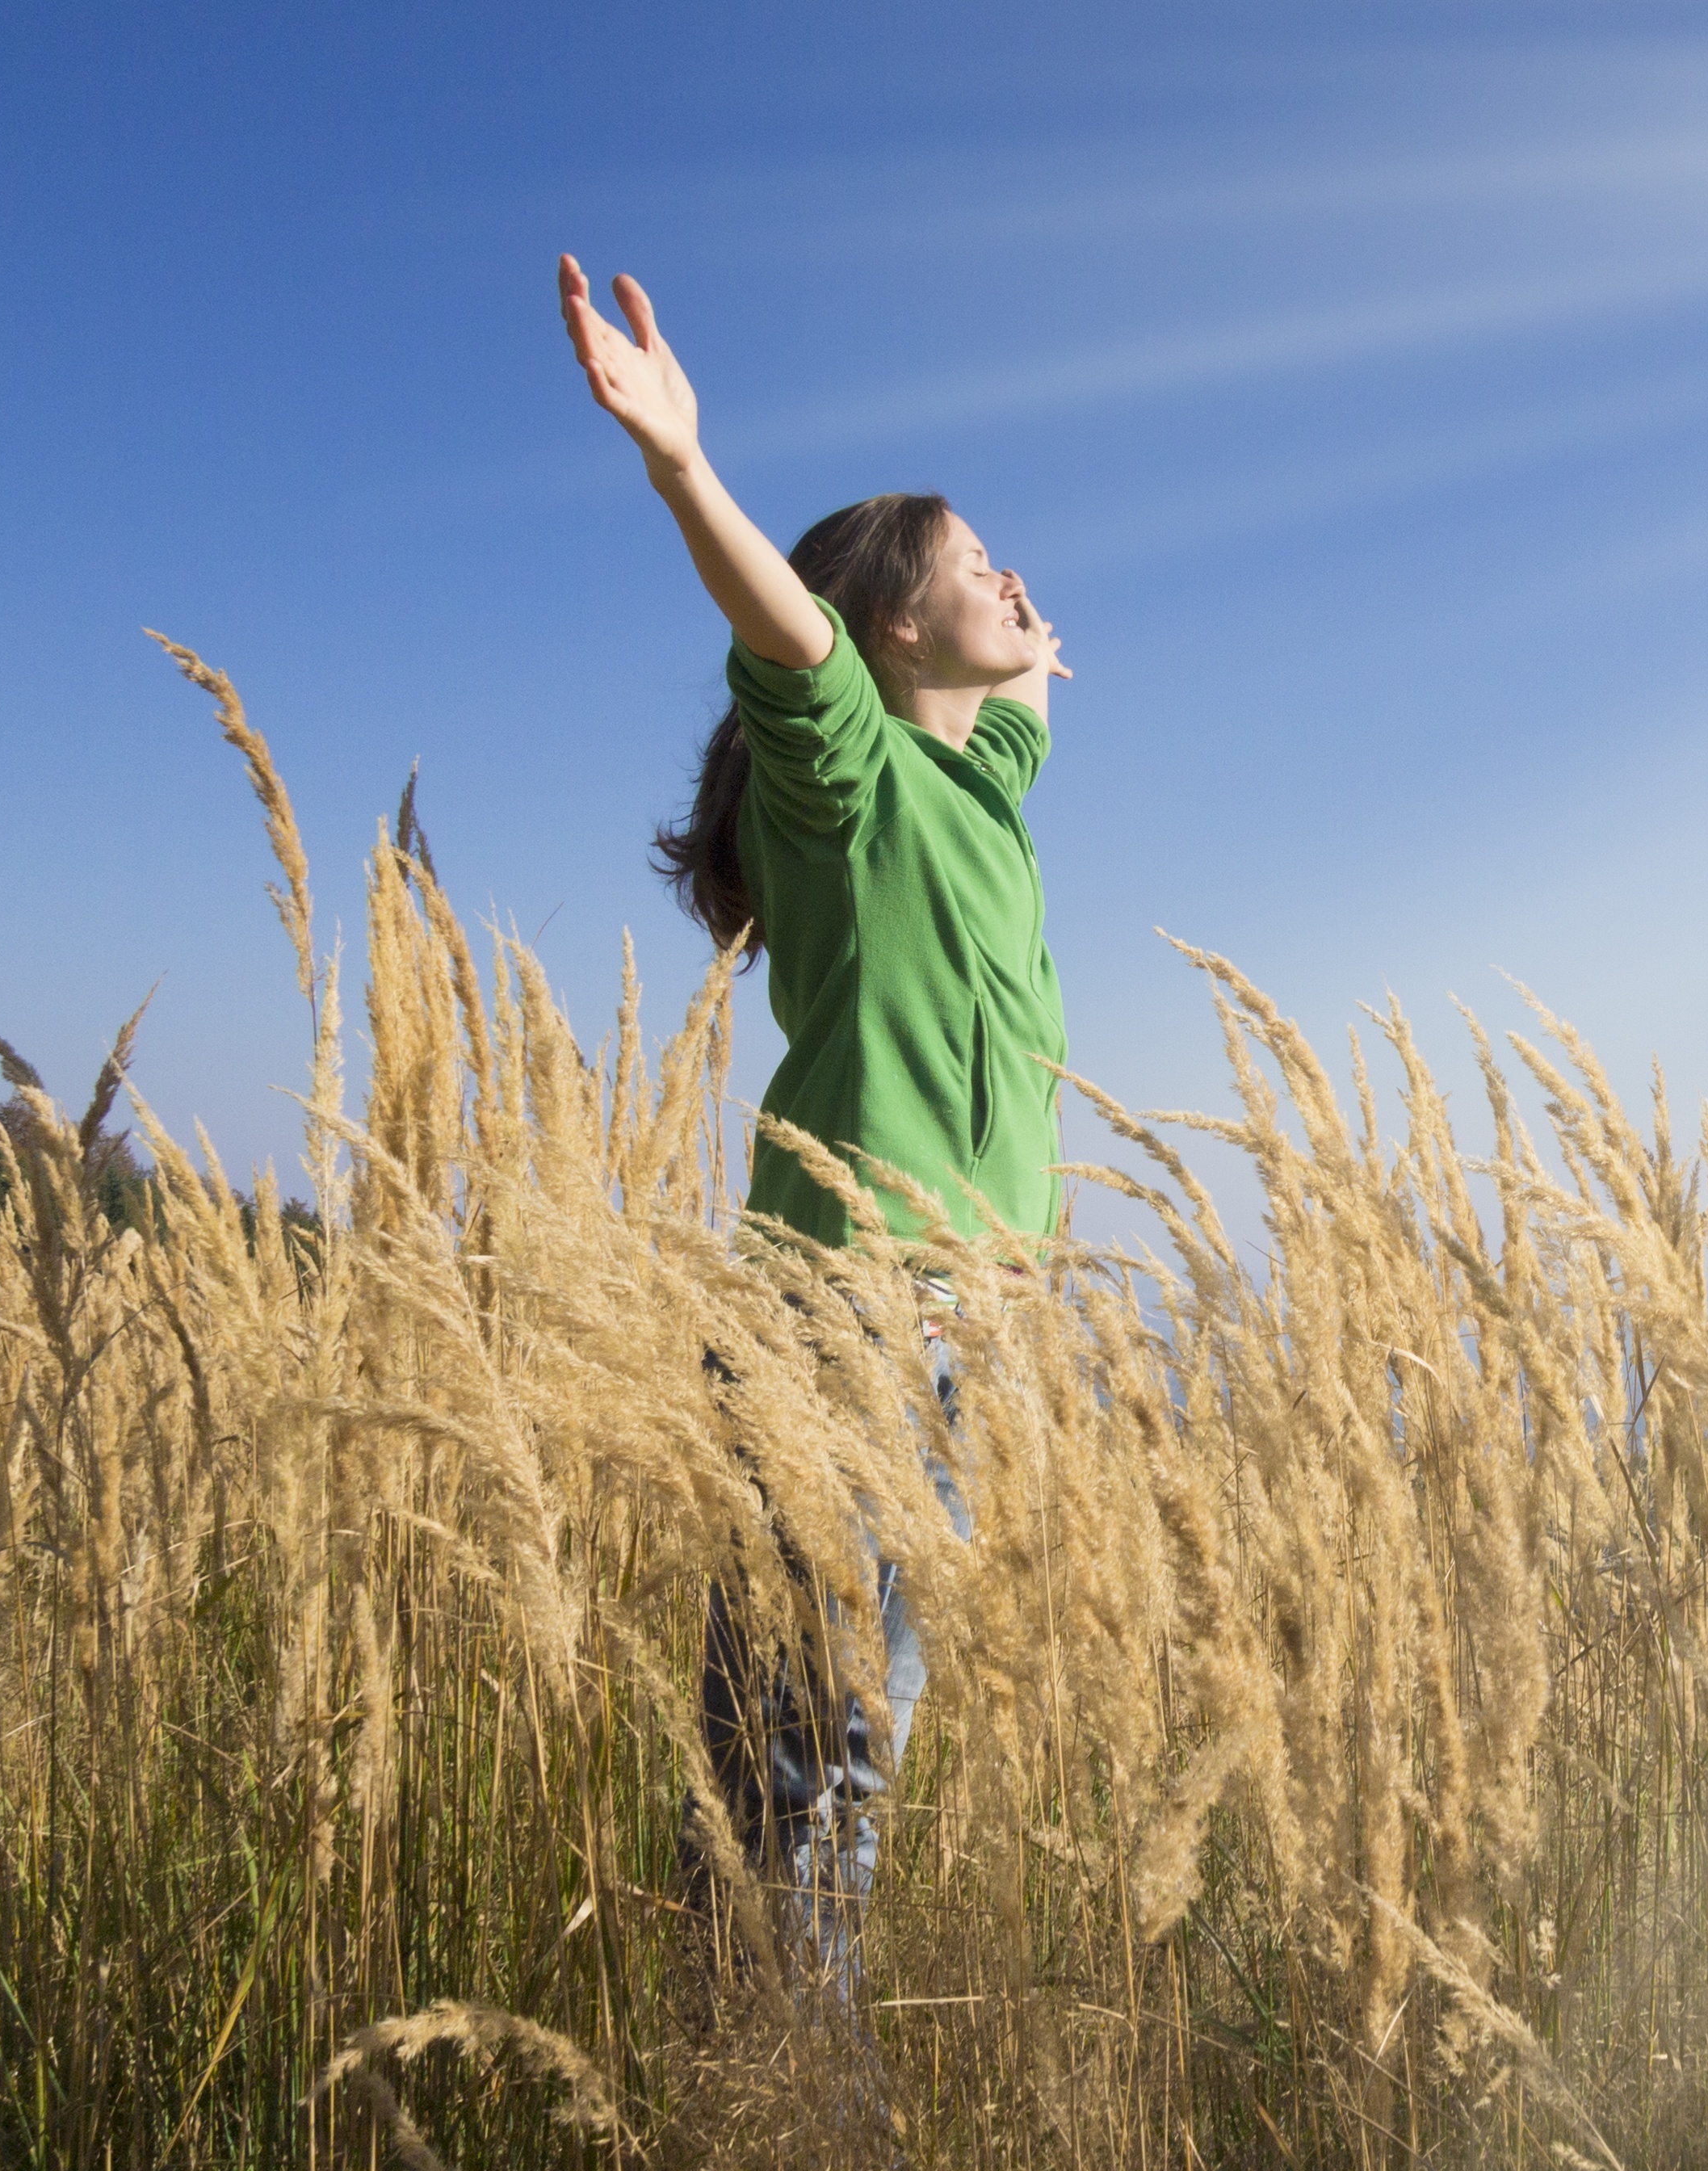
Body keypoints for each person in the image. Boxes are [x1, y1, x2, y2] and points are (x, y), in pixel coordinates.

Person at [556, 252, 1068, 2001]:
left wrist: (1032, 655)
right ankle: (783, 2083)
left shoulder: (983, 792)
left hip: (961, 1338)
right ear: (891, 627)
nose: (1009, 577)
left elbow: (1018, 719)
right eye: (973, 564)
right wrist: (683, 466)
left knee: (854, 1758)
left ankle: (757, 2055)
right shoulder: (843, 776)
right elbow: (791, 642)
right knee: (809, 1767)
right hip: (844, 1329)